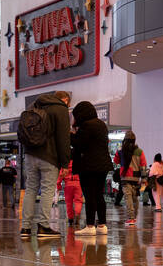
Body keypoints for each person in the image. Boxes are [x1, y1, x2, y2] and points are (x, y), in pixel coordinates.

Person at [20, 90, 71, 239]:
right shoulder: (60, 109)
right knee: (48, 190)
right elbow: (63, 138)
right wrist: (65, 163)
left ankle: (25, 228)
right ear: (65, 100)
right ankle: (43, 226)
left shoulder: (33, 106)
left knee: (31, 189)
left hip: (30, 154)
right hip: (49, 156)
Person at [70, 101, 111, 236]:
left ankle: (89, 225)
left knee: (89, 195)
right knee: (99, 194)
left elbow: (79, 144)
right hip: (103, 165)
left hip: (89, 166)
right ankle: (102, 225)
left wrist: (70, 134)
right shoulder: (101, 125)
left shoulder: (87, 125)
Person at [113, 131, 147, 226]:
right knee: (135, 198)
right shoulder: (139, 151)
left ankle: (131, 218)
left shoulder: (120, 150)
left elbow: (116, 161)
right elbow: (143, 166)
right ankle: (134, 217)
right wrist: (144, 179)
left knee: (128, 197)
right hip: (136, 178)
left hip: (125, 177)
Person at [60, 160, 84, 228]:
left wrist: (58, 185)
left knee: (69, 203)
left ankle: (70, 218)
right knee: (78, 201)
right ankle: (77, 214)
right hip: (78, 184)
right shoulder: (79, 163)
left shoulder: (65, 163)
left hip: (68, 184)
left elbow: (60, 175)